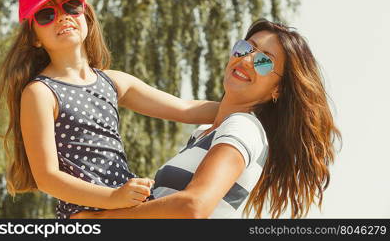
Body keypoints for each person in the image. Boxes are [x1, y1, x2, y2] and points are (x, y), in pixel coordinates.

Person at [0, 0, 219, 219]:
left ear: (86, 18)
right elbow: (48, 178)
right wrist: (113, 198)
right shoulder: (40, 92)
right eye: (46, 15)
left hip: (129, 205)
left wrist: (250, 105)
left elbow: (185, 109)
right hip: (84, 214)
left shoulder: (113, 82)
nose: (62, 16)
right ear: (34, 38)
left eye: (71, 6)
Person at [70, 19, 341, 219]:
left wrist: (99, 221)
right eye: (245, 48)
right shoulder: (209, 130)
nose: (247, 60)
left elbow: (193, 206)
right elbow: (178, 105)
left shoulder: (242, 127)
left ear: (277, 89)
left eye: (264, 62)